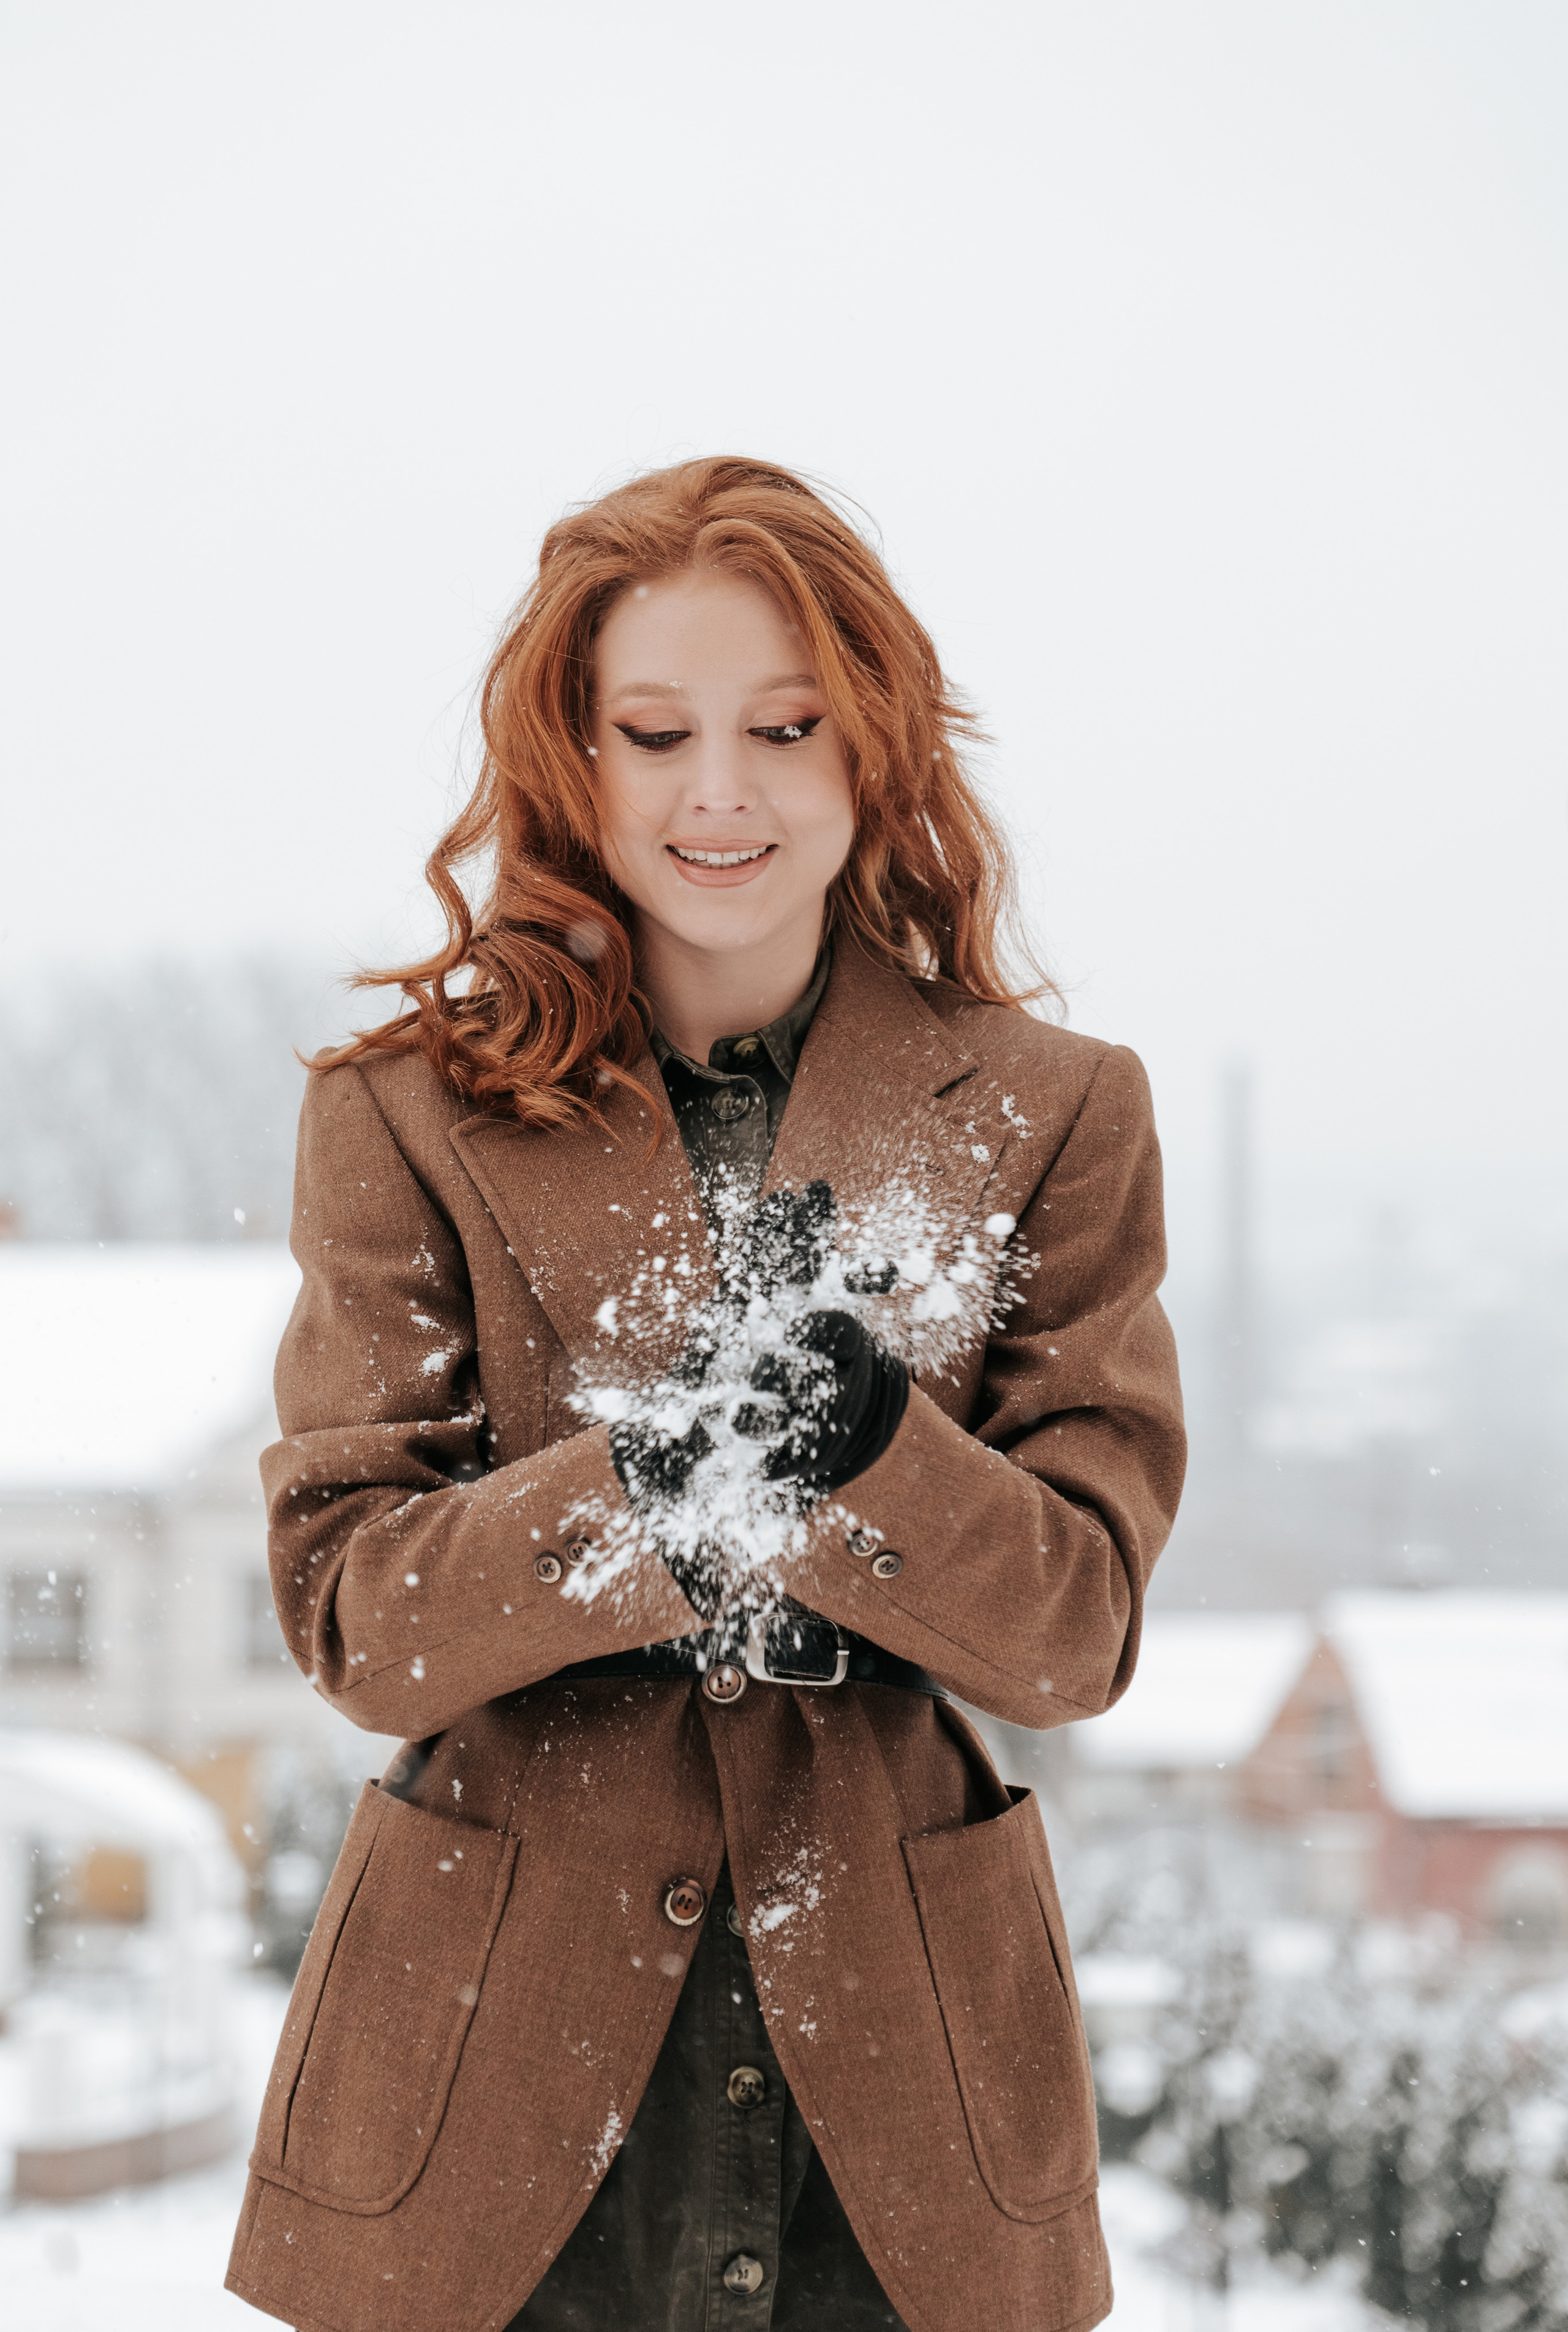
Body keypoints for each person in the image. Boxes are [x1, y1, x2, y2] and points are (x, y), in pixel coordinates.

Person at [226, 456, 1185, 2332]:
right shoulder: (401, 1115)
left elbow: (1074, 1640)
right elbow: (357, 1625)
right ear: (573, 764)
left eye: (784, 726)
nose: (720, 791)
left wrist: (869, 1457)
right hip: (481, 2101)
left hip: (906, 2109)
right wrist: (661, 1484)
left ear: (875, 750)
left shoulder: (1058, 1112)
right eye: (654, 733)